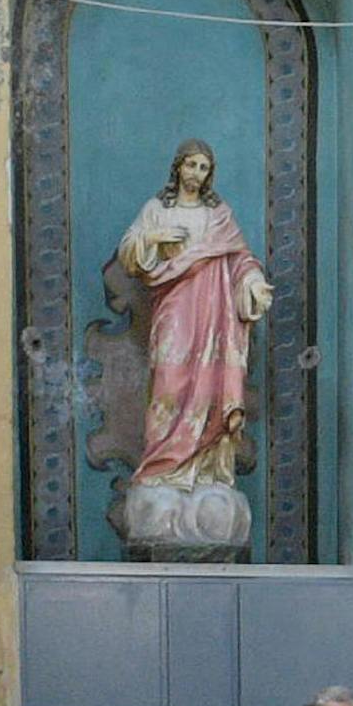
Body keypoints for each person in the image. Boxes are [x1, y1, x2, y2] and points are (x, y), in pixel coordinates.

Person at [116, 139, 270, 504]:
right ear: (178, 167)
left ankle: (203, 470)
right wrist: (152, 237)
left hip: (214, 315)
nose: (196, 174)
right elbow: (129, 251)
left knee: (208, 386)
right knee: (169, 384)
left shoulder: (218, 216)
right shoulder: (157, 209)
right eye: (191, 165)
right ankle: (160, 467)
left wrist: (252, 282)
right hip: (174, 309)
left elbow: (240, 259)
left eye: (203, 168)